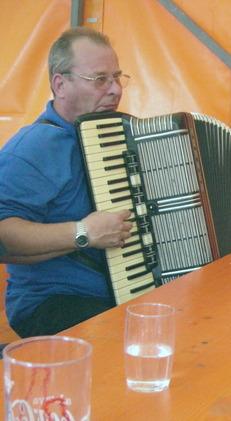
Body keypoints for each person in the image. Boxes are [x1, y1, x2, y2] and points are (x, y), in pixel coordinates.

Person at [0, 27, 133, 337]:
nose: (115, 90)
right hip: (53, 301)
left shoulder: (120, 135)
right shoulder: (32, 148)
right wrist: (84, 232)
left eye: (117, 77)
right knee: (129, 341)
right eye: (100, 79)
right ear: (60, 84)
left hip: (124, 289)